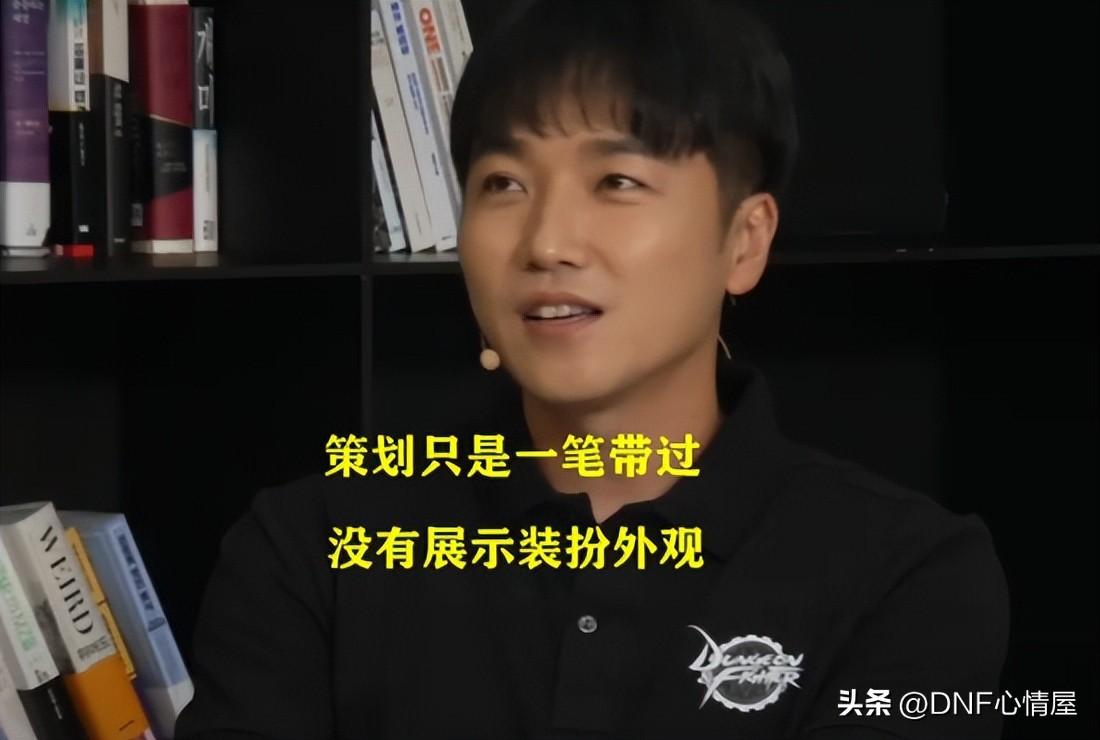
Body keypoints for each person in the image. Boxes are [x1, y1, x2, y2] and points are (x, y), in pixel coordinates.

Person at [176, 1, 1009, 738]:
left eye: (616, 180)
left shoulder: (906, 574)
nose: (546, 243)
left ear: (745, 240)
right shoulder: (313, 550)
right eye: (503, 183)